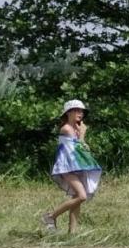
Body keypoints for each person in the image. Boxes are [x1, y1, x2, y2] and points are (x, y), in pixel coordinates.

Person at [42, 99, 102, 234]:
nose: (80, 113)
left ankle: (72, 232)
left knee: (77, 198)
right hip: (67, 167)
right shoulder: (67, 129)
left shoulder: (76, 129)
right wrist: (82, 135)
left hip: (76, 166)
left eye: (81, 111)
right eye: (77, 110)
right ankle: (50, 216)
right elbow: (79, 144)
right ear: (68, 113)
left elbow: (83, 148)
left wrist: (82, 136)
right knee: (82, 196)